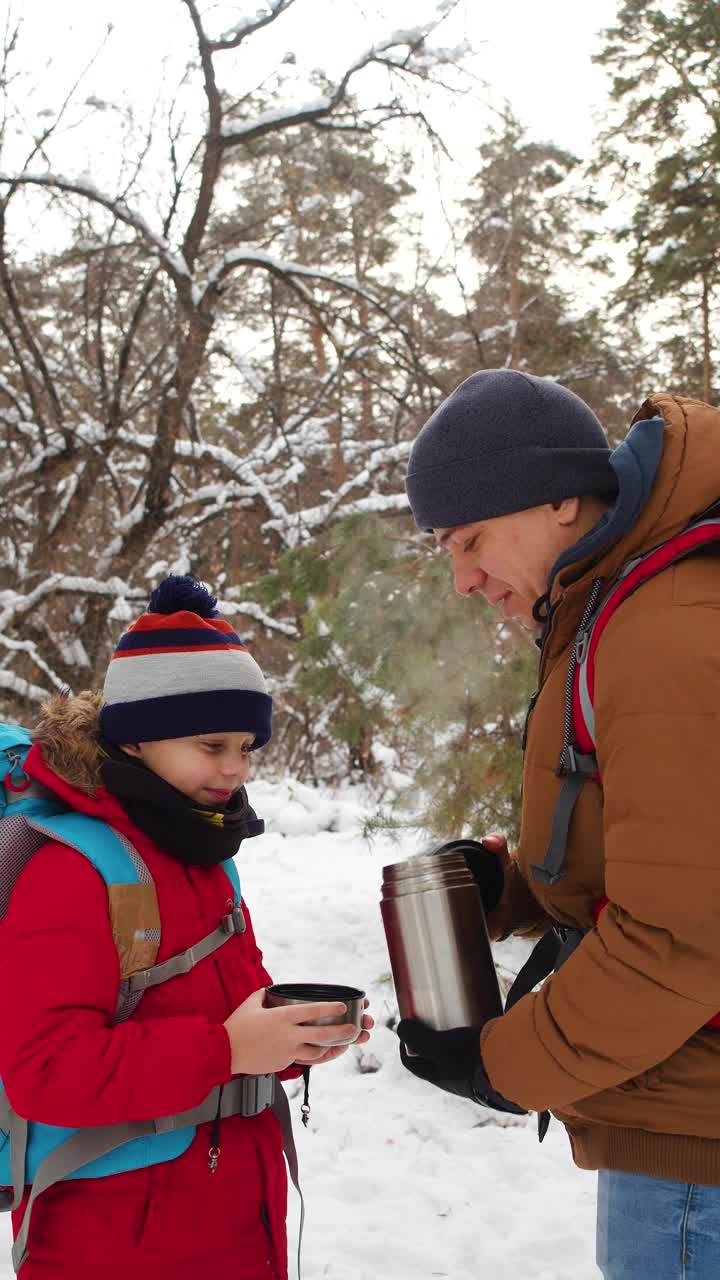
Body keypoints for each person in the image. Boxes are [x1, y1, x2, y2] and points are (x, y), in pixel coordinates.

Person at [399, 369, 720, 1280]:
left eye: (470, 540)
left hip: (698, 1150)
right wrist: (508, 891)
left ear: (560, 498)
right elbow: (667, 860)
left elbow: (683, 936)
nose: (463, 579)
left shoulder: (665, 634)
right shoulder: (618, 612)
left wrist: (502, 1065)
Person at [0, 574, 372, 1280]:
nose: (235, 769)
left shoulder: (201, 854)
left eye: (246, 746)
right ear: (137, 739)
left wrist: (295, 1039)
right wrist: (226, 1051)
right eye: (211, 745)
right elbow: (44, 1073)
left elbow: (233, 1015)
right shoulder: (76, 870)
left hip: (230, 1220)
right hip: (109, 1240)